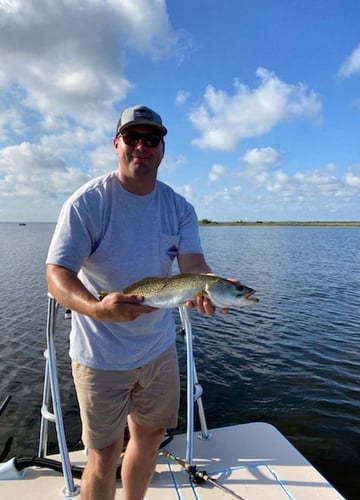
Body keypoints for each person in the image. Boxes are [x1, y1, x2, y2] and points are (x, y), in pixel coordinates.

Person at [46, 105, 219, 500]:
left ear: (162, 150)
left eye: (151, 139)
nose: (142, 146)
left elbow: (195, 266)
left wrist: (212, 288)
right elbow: (57, 274)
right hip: (99, 354)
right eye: (132, 137)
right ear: (116, 144)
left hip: (157, 348)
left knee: (151, 437)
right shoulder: (87, 203)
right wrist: (94, 308)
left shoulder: (179, 207)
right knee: (104, 455)